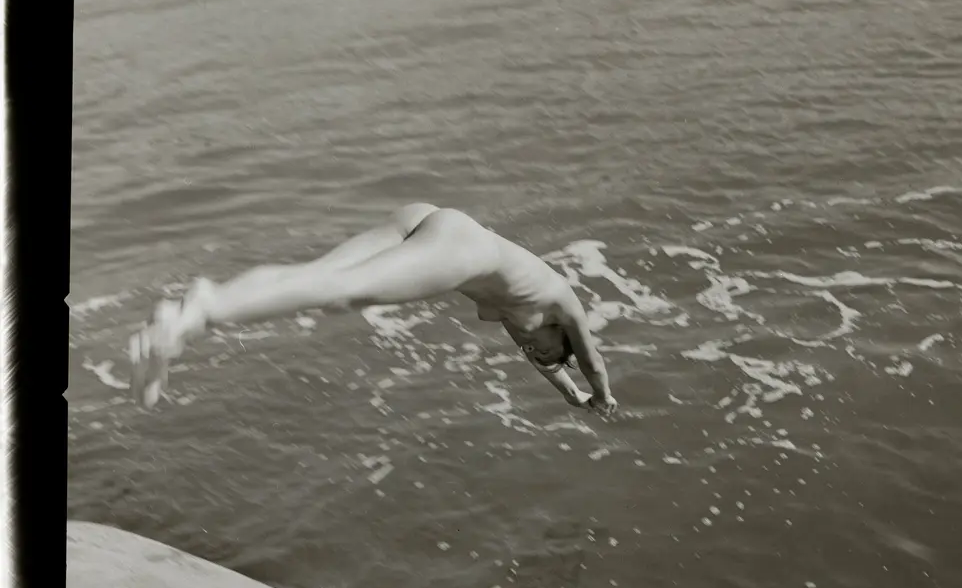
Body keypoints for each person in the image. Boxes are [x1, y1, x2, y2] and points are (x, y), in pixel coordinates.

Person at [128, 202, 618, 416]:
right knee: (343, 290)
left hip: (428, 219)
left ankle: (195, 308)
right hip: (463, 245)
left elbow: (548, 367)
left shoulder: (522, 320)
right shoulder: (562, 302)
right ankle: (203, 311)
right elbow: (592, 360)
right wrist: (602, 398)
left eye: (535, 352)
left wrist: (572, 396)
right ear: (561, 333)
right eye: (546, 348)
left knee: (321, 277)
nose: (533, 348)